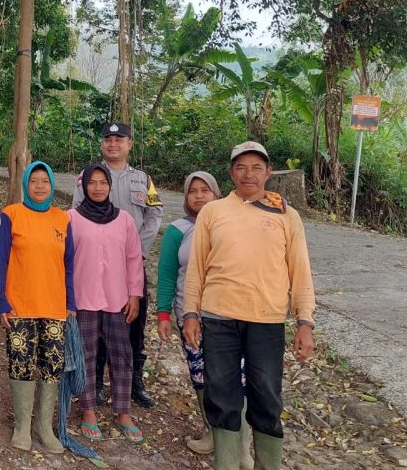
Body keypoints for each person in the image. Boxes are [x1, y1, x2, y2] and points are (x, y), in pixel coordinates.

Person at [182, 142, 316, 470]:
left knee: (267, 399)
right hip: (218, 319)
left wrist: (304, 322)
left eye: (257, 167)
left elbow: (300, 269)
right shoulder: (213, 212)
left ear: (268, 173)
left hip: (266, 321)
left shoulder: (286, 215)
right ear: (231, 173)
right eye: (241, 167)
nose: (249, 174)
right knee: (222, 396)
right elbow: (197, 267)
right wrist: (190, 313)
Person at [156, 171, 252, 467]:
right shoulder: (177, 229)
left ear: (216, 193)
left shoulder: (232, 224)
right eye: (192, 191)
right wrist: (163, 314)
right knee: (201, 378)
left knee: (238, 380)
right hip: (190, 317)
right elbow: (167, 275)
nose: (199, 196)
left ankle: (242, 449)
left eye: (205, 190)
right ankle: (212, 433)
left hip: (230, 315)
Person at [72, 122, 162, 408]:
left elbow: (155, 215)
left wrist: (137, 252)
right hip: (93, 268)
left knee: (132, 323)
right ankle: (95, 382)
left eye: (119, 139)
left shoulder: (144, 179)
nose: (113, 144)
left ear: (129, 144)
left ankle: (134, 382)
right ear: (102, 145)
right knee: (93, 323)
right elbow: (75, 216)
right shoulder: (87, 177)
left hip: (132, 266)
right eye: (108, 140)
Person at [0, 161, 74, 454]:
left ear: (52, 185)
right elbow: (0, 261)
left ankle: (45, 427)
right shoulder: (11, 215)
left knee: (51, 367)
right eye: (34, 181)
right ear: (26, 184)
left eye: (45, 181)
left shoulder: (62, 219)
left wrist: (71, 303)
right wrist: (0, 299)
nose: (40, 186)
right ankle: (22, 427)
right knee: (21, 364)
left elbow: (69, 265)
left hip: (54, 306)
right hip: (20, 305)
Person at [71, 163, 145, 443]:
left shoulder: (124, 219)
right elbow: (66, 261)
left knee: (121, 355)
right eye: (93, 183)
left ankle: (123, 411)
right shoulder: (72, 218)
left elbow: (133, 258)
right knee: (86, 355)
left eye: (103, 182)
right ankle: (88, 409)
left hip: (117, 299)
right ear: (84, 186)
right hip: (84, 298)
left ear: (110, 187)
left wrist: (134, 294)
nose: (98, 187)